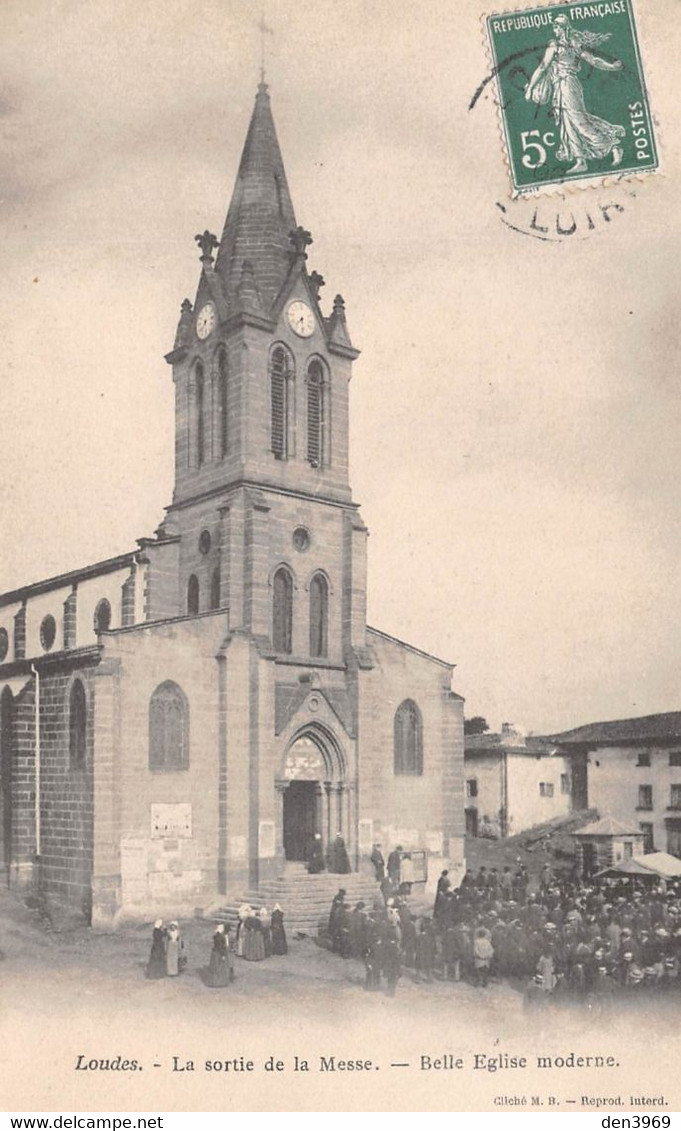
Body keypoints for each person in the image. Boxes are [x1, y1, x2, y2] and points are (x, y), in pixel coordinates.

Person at [525, 14, 625, 175]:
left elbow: (544, 66)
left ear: (564, 28)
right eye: (554, 26)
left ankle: (612, 146)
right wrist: (612, 66)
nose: (554, 29)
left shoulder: (559, 46)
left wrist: (530, 87)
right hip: (562, 86)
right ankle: (580, 161)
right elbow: (593, 61)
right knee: (568, 123)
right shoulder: (572, 44)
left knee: (578, 121)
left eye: (557, 26)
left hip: (567, 85)